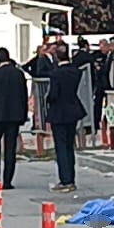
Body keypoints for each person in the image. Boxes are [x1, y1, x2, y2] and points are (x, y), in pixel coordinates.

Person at [0, 47, 28, 189]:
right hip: (14, 116)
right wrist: (23, 115)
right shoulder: (18, 74)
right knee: (10, 149)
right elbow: (23, 96)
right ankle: (8, 181)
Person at [44, 45, 87, 193]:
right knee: (69, 145)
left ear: (56, 57)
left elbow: (53, 94)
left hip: (59, 111)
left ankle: (65, 179)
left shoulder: (56, 73)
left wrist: (47, 99)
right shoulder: (75, 71)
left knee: (61, 147)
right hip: (73, 108)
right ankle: (71, 178)